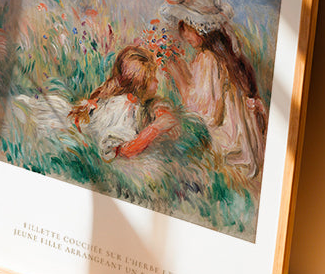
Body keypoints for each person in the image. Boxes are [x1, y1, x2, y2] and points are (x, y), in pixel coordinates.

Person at [168, 18, 267, 180]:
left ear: (202, 29)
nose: (186, 36)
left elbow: (205, 111)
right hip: (240, 138)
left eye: (189, 30)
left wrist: (177, 75)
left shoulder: (207, 58)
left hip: (227, 139)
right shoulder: (221, 57)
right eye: (184, 31)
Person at [69, 45, 180, 160]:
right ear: (140, 84)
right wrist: (156, 128)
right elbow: (123, 151)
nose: (157, 81)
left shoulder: (126, 99)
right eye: (152, 77)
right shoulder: (126, 107)